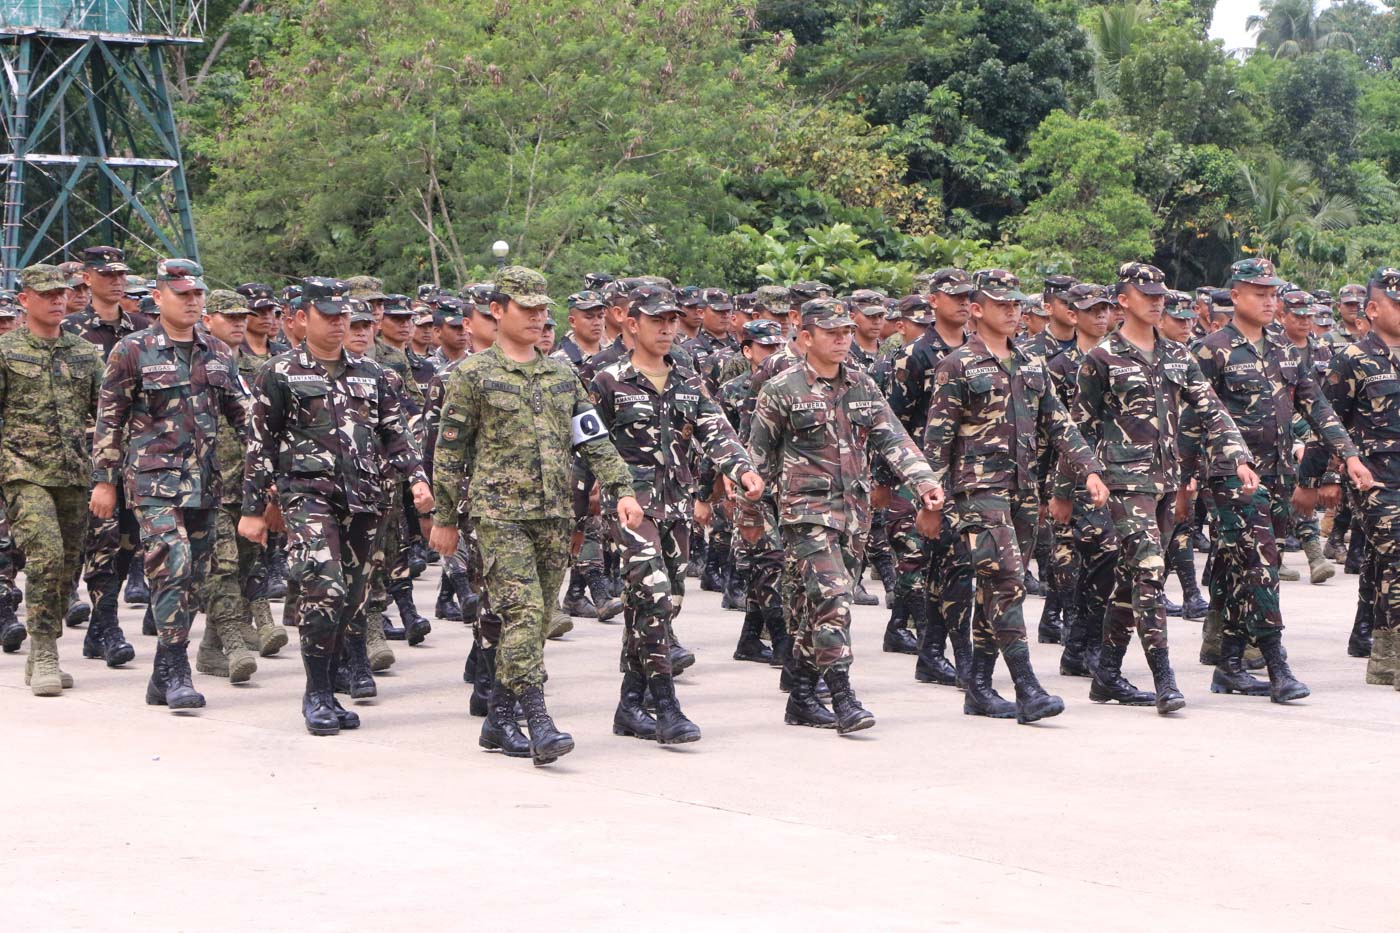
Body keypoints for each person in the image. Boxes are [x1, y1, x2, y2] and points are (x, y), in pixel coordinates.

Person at [430, 265, 641, 766]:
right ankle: (538, 719)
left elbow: (590, 437)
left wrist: (621, 489)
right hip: (498, 515)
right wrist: (444, 518)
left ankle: (499, 720)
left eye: (543, 310)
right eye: (526, 309)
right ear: (497, 311)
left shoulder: (561, 374)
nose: (537, 318)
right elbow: (449, 451)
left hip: (553, 515)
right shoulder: (472, 376)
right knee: (523, 613)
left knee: (537, 618)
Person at [239, 277, 431, 735]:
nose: (340, 323)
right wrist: (253, 508)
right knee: (323, 586)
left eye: (344, 316)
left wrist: (419, 482)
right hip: (307, 496)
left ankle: (334, 680)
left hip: (364, 499)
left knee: (354, 595)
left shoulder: (374, 374)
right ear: (303, 318)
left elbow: (396, 435)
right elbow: (259, 444)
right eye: (329, 316)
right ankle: (317, 693)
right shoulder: (280, 373)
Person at [743, 298, 944, 735]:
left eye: (846, 332)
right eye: (831, 332)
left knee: (816, 607)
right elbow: (754, 461)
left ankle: (800, 698)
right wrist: (751, 521)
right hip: (806, 516)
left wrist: (924, 481)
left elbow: (893, 437)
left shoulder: (861, 384)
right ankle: (843, 696)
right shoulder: (781, 390)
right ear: (806, 337)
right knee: (834, 600)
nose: (841, 340)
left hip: (854, 515)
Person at [1071, 262, 1256, 715]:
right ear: (1123, 300)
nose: (1156, 300)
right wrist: (1069, 489)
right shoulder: (1102, 358)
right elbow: (1076, 427)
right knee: (1152, 572)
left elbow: (1211, 410)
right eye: (1146, 293)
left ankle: (1107, 675)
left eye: (1160, 293)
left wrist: (1238, 455)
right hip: (1123, 483)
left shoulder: (1177, 354)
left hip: (1167, 483)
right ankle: (1164, 678)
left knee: (1130, 579)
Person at [925, 270, 1105, 724]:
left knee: (1001, 587)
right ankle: (1027, 686)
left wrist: (1090, 471)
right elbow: (936, 443)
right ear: (978, 308)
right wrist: (928, 501)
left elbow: (1060, 424)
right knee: (1007, 580)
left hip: (1023, 491)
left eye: (1016, 304)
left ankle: (980, 688)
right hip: (977, 492)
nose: (1011, 311)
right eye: (1000, 303)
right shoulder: (957, 365)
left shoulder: (1029, 363)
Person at [1186, 260, 1368, 704]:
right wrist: (1187, 480)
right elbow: (1191, 420)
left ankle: (1228, 665)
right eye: (1259, 292)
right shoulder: (1212, 350)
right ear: (1235, 295)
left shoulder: (1285, 349)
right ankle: (1276, 663)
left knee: (1236, 569)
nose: (1270, 300)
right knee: (1263, 566)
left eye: (1273, 293)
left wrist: (1349, 455)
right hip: (1232, 477)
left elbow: (1318, 408)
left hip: (1279, 476)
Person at [590, 285, 763, 744]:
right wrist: (580, 512)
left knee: (660, 605)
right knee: (653, 594)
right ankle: (665, 706)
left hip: (677, 506)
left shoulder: (688, 380)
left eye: (671, 320)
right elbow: (588, 447)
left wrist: (741, 469)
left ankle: (629, 705)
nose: (667, 329)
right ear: (631, 324)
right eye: (655, 321)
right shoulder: (608, 381)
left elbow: (716, 431)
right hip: (629, 508)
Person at [90, 259, 248, 711]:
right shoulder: (132, 350)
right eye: (182, 294)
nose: (192, 300)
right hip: (152, 482)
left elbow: (243, 415)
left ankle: (162, 670)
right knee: (172, 566)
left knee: (194, 579)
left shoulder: (218, 351)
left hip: (205, 482)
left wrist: (268, 467)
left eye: (198, 293)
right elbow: (109, 419)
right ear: (158, 298)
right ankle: (179, 669)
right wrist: (103, 481)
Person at [1, 264, 105, 694]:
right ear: (25, 300)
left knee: (67, 565)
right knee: (44, 554)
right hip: (23, 472)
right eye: (46, 294)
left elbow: (106, 413)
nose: (58, 300)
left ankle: (48, 637)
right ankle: (44, 650)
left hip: (74, 473)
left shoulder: (83, 353)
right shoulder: (6, 351)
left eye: (62, 293)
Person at [1296, 267, 1400, 689]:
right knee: (1396, 557)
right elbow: (1327, 422)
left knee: (1379, 564)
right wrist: (1314, 480)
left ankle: (1372, 644)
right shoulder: (1352, 359)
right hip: (1373, 478)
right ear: (1372, 310)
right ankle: (1391, 660)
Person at [64, 246, 153, 634]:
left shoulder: (141, 329)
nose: (116, 281)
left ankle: (107, 615)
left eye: (120, 275)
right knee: (101, 536)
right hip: (89, 448)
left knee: (131, 539)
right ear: (87, 277)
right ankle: (106, 623)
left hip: (139, 450)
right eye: (107, 275)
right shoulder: (71, 330)